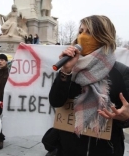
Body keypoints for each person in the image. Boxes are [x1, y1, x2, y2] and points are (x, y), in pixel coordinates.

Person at [51, 15, 129, 156]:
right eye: (80, 31)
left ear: (104, 36)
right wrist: (66, 71)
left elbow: (126, 113)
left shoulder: (121, 72)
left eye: (89, 32)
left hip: (106, 149)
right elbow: (56, 101)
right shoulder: (71, 68)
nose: (82, 36)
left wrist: (125, 118)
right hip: (67, 149)